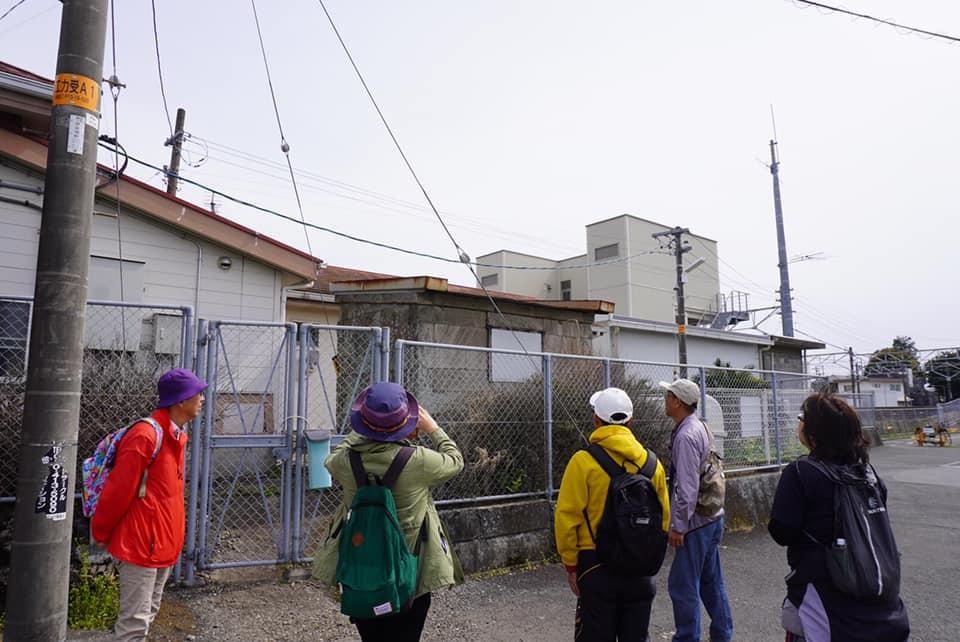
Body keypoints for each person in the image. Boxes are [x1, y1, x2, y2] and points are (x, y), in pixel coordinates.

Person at [312, 382, 464, 642]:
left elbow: (331, 458)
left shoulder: (346, 462)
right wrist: (433, 428)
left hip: (361, 566)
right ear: (406, 422)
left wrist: (362, 427)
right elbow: (455, 460)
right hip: (410, 568)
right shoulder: (419, 460)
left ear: (362, 422)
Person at [768, 393, 910, 641]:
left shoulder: (801, 472)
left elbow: (782, 531)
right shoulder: (867, 474)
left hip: (822, 600)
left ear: (814, 432)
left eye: (802, 418)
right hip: (880, 601)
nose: (798, 423)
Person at [91, 368, 207, 641]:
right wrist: (100, 533)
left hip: (161, 543)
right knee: (134, 623)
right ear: (181, 400)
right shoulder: (145, 435)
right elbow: (118, 492)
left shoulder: (175, 434)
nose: (202, 399)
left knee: (148, 612)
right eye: (198, 394)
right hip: (142, 544)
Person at [554, 387, 670, 641]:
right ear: (631, 421)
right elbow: (663, 520)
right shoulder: (653, 464)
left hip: (594, 565)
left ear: (596, 419)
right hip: (640, 569)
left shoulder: (583, 461)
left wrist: (571, 565)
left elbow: (566, 518)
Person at [660, 378, 733, 642]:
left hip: (696, 523)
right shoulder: (699, 426)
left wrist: (679, 527)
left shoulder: (686, 436)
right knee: (712, 583)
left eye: (667, 395)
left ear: (677, 401)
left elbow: (687, 488)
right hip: (712, 517)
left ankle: (687, 637)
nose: (664, 400)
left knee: (682, 585)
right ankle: (723, 633)